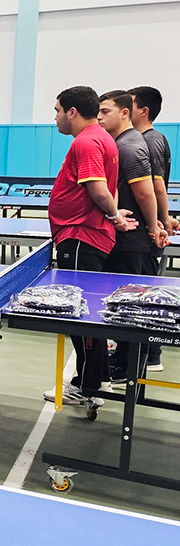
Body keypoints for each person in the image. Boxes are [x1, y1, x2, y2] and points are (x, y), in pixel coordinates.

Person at [43, 86, 135, 405]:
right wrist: (114, 214)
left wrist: (113, 215)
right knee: (87, 314)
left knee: (79, 314)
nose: (55, 117)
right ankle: (99, 380)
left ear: (72, 112)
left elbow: (98, 188)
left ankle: (87, 386)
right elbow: (108, 186)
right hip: (86, 234)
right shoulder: (102, 138)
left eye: (57, 111)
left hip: (81, 236)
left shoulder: (86, 141)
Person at [97, 90, 162, 386]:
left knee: (128, 306)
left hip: (130, 239)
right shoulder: (121, 143)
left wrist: (153, 227)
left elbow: (146, 192)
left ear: (125, 113)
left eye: (105, 111)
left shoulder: (130, 146)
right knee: (121, 304)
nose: (99, 117)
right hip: (124, 237)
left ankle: (125, 366)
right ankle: (123, 358)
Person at [128, 85, 171, 372]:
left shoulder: (149, 140)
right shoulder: (149, 139)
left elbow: (156, 187)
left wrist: (160, 222)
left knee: (145, 292)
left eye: (129, 105)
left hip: (145, 231)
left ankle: (151, 354)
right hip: (147, 227)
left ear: (143, 111)